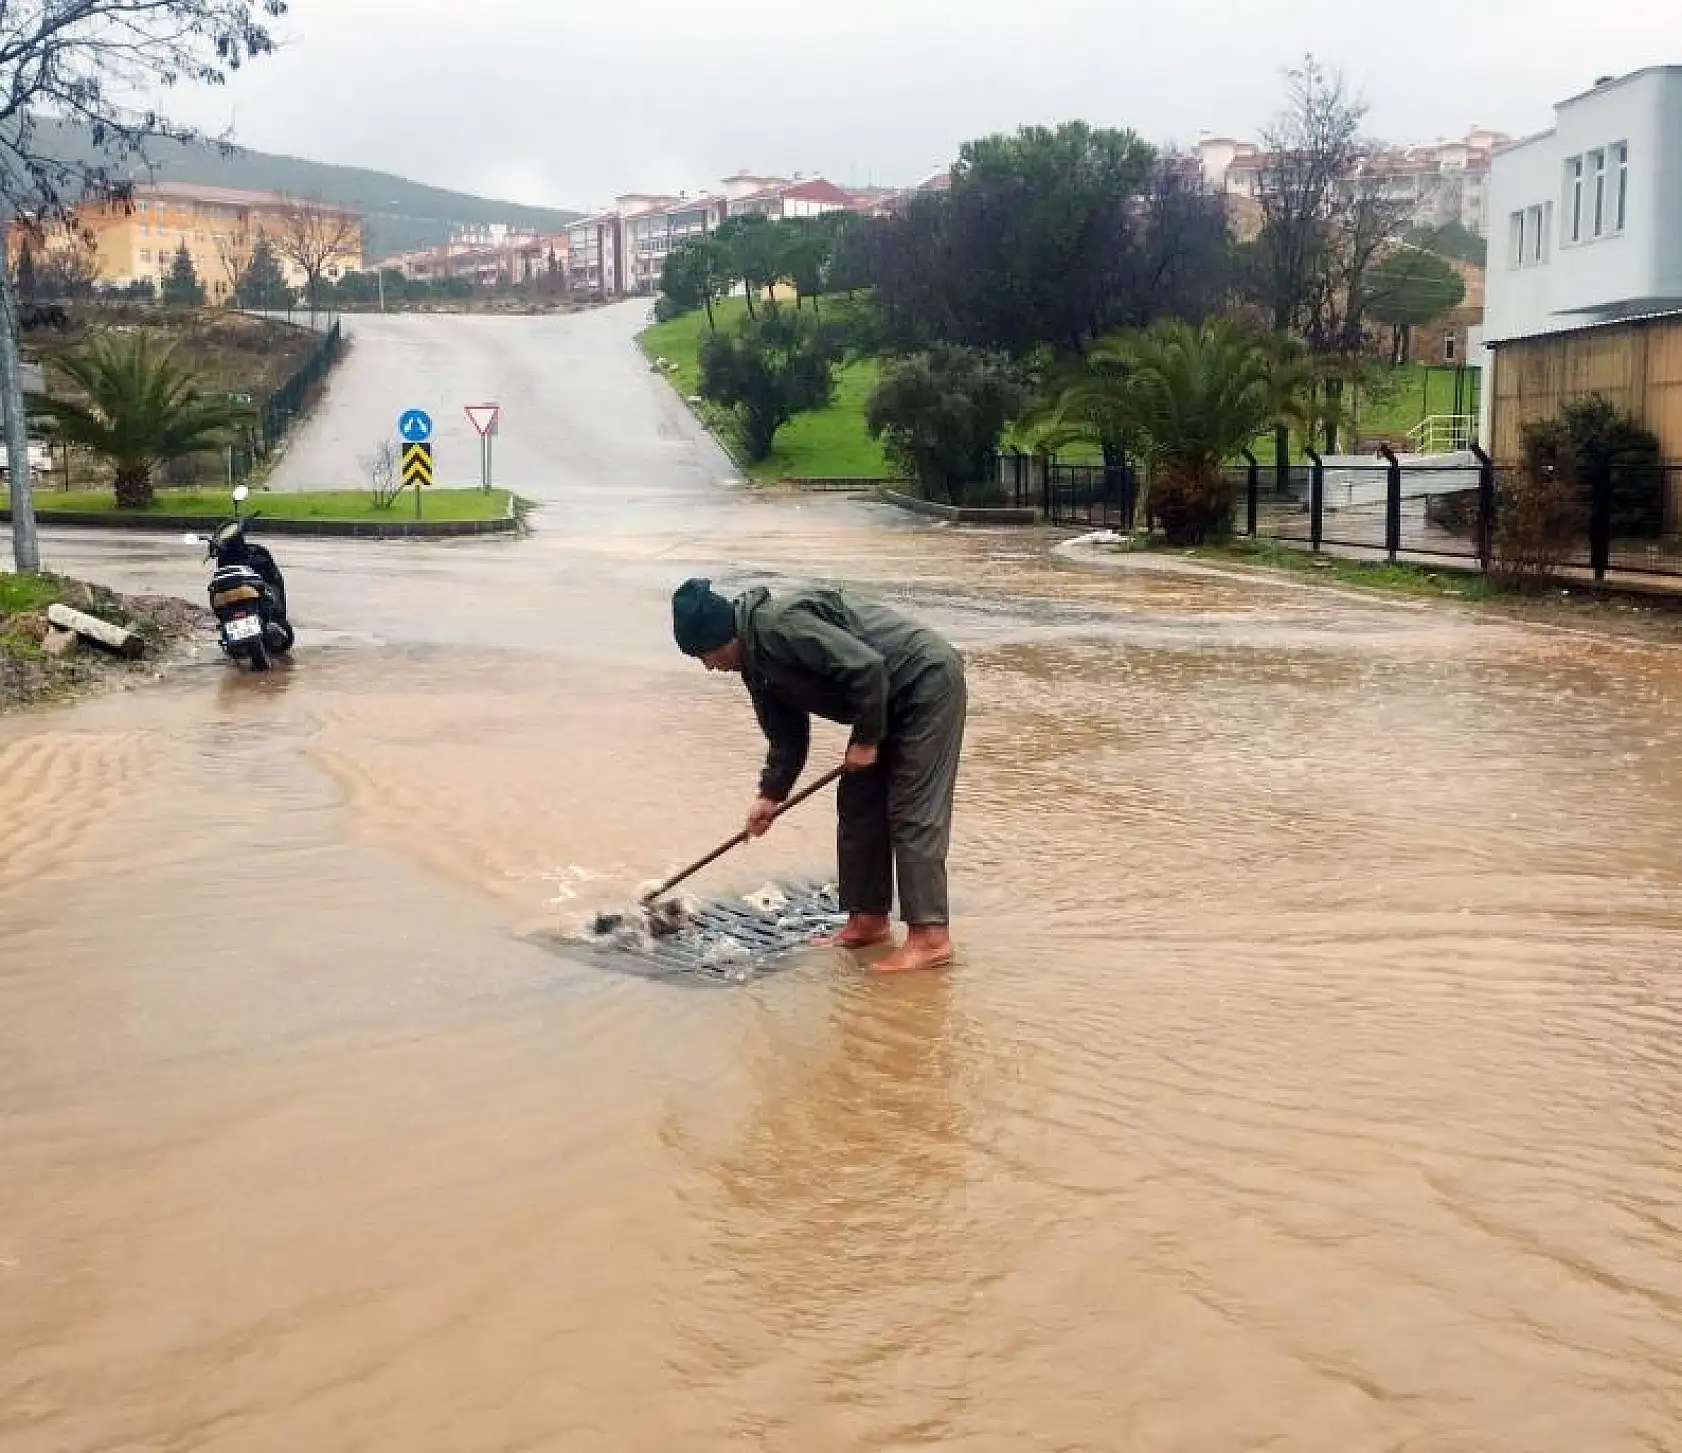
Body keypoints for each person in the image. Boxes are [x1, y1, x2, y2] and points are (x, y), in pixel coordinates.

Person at [672, 577, 966, 973]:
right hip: (884, 698)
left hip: (925, 682)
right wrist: (770, 796)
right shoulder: (754, 664)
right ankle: (868, 920)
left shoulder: (780, 626)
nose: (709, 666)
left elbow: (867, 668)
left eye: (707, 654)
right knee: (859, 801)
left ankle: (930, 940)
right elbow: (787, 737)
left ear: (725, 635)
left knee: (912, 809)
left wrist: (866, 740)